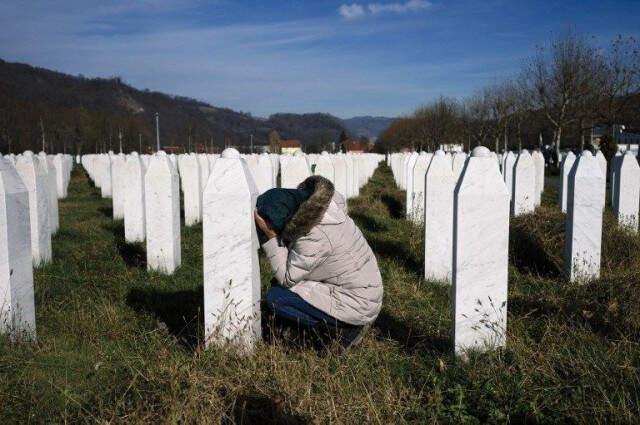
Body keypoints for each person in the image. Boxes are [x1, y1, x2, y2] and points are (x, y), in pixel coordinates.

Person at [255, 175, 383, 352]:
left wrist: (271, 238)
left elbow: (287, 278)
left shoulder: (314, 235)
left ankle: (344, 331)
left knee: (276, 298)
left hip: (357, 304)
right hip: (365, 292)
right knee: (281, 287)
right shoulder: (328, 208)